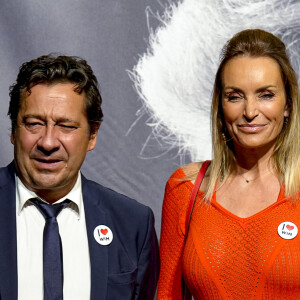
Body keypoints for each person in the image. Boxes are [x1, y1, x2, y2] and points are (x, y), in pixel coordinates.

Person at [0, 54, 159, 300]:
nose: (48, 142)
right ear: (13, 130)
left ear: (92, 136)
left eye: (66, 126)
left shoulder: (132, 224)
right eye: (34, 123)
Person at [157, 29, 300, 299]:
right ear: (220, 107)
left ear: (288, 105)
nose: (249, 111)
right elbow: (167, 294)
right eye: (235, 96)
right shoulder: (185, 188)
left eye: (266, 95)